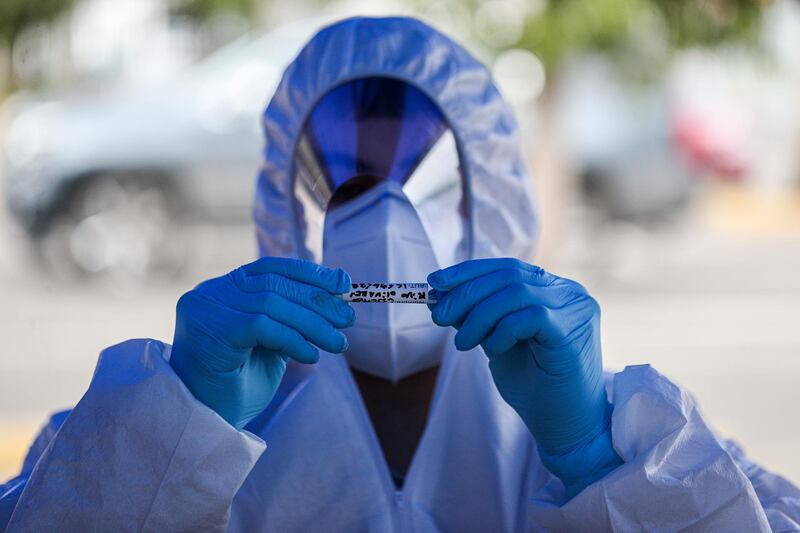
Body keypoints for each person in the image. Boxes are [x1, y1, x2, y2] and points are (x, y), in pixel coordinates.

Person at [2, 16, 799, 532]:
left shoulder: (629, 432)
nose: (383, 220)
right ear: (285, 210)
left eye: (425, 188)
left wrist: (597, 458)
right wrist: (169, 439)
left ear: (495, 203)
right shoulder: (158, 424)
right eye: (344, 183)